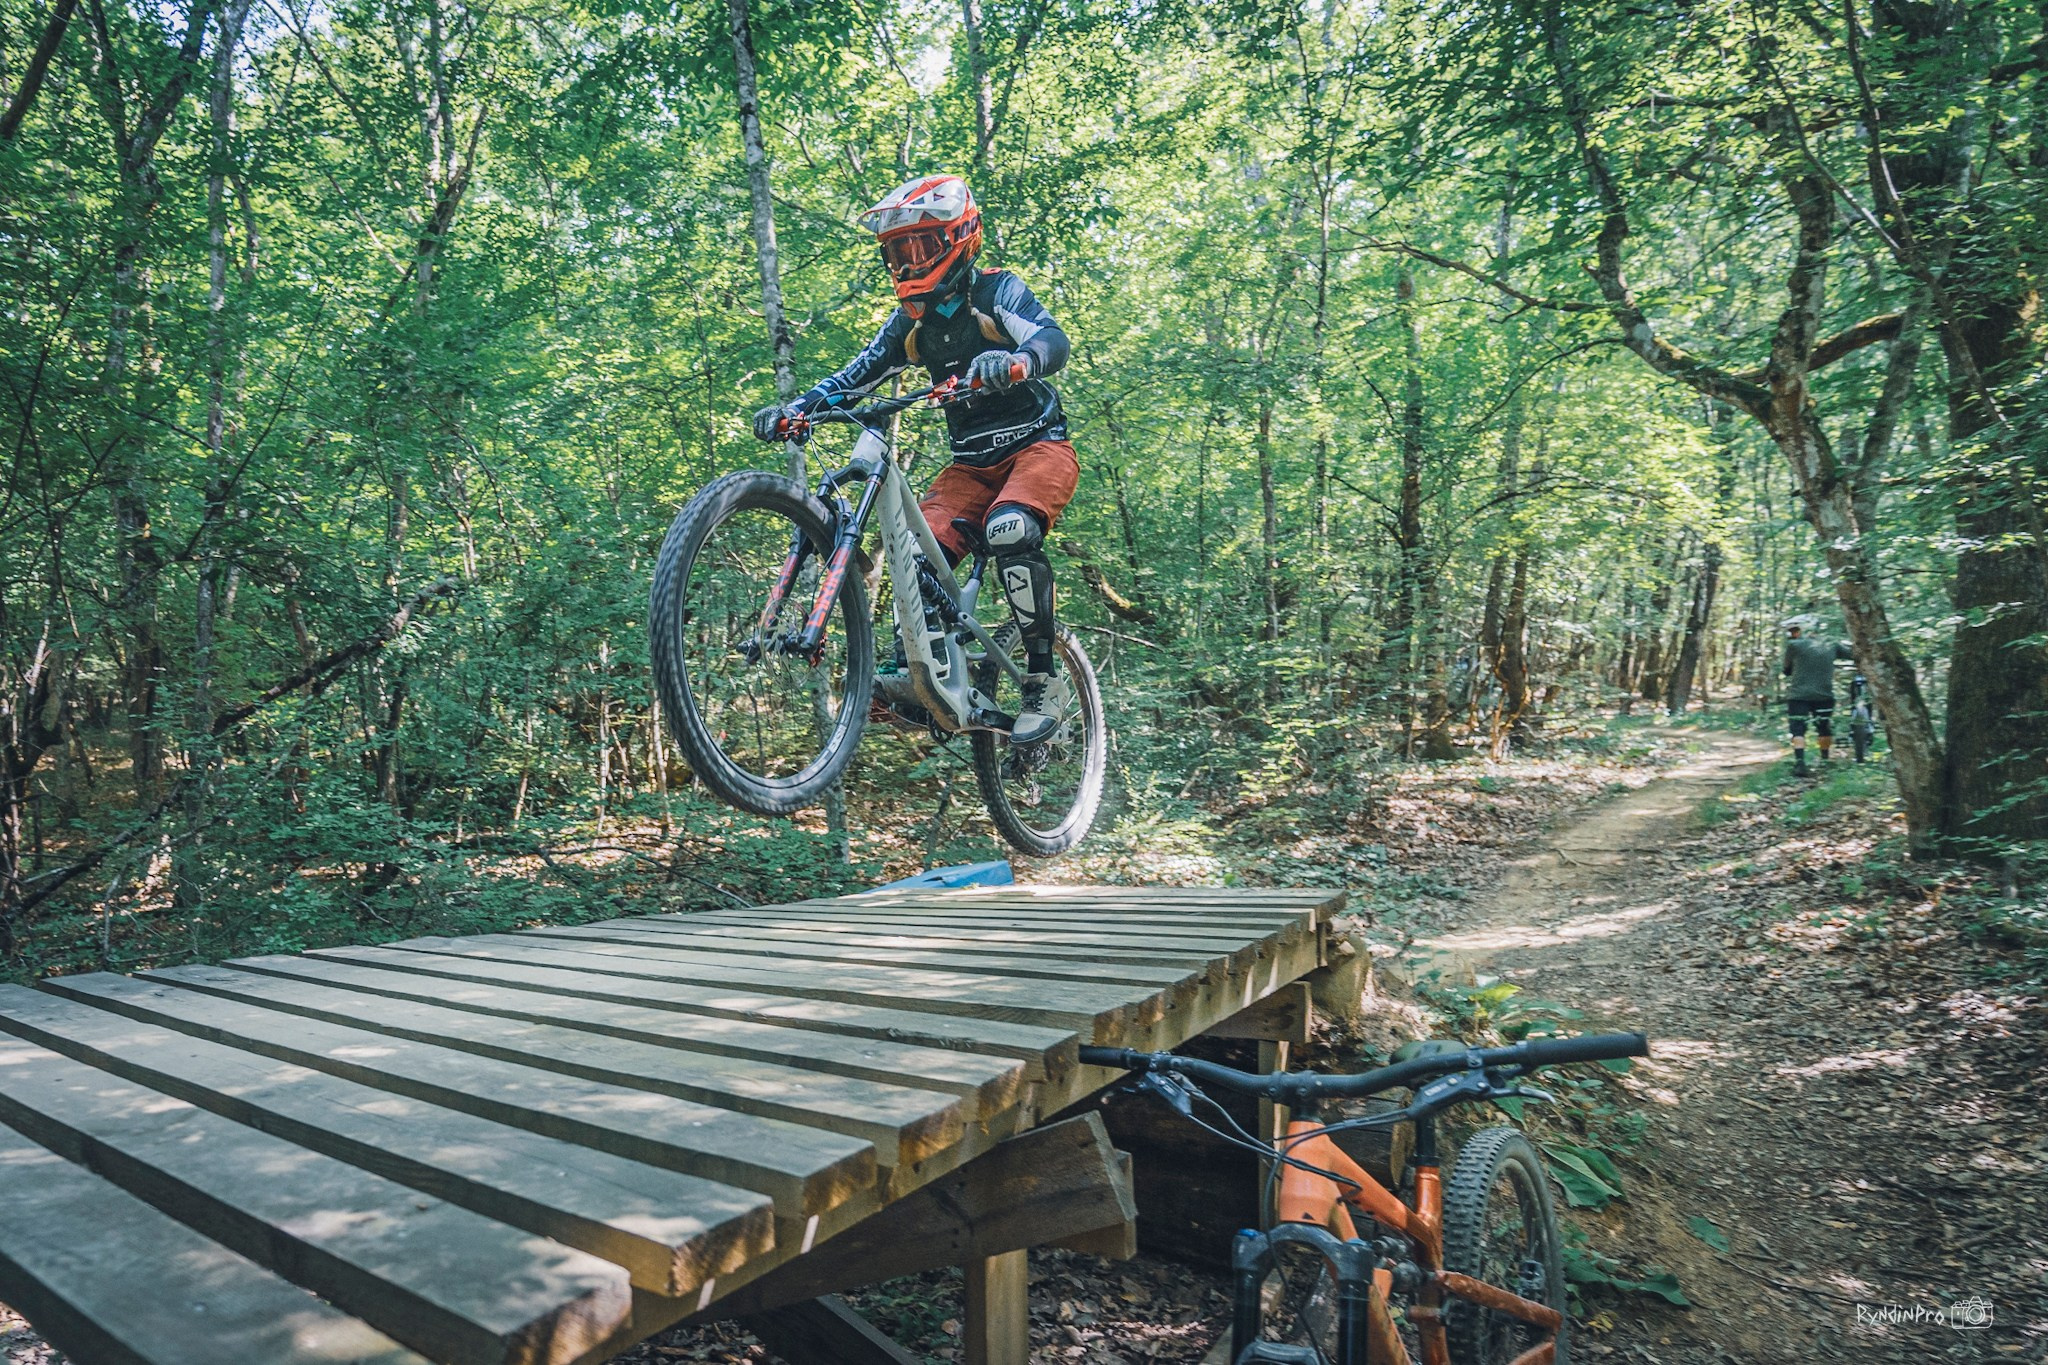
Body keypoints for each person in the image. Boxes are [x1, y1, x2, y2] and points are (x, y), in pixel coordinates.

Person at [752, 174, 1077, 745]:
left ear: (960, 238)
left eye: (920, 247)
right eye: (897, 253)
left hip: (1037, 448)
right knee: (914, 558)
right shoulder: (911, 325)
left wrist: (1019, 361)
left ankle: (1043, 680)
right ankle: (927, 682)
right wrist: (796, 408)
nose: (907, 263)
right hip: (969, 469)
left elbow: (1052, 339)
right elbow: (854, 380)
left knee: (1009, 530)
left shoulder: (996, 293)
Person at [1781, 615, 1854, 776]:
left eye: (1795, 630)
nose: (1793, 634)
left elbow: (1786, 669)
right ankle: (1825, 760)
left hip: (1798, 696)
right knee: (1823, 725)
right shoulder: (1831, 644)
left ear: (1804, 629)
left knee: (1798, 728)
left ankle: (1800, 762)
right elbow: (1853, 655)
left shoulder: (1794, 646)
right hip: (1824, 695)